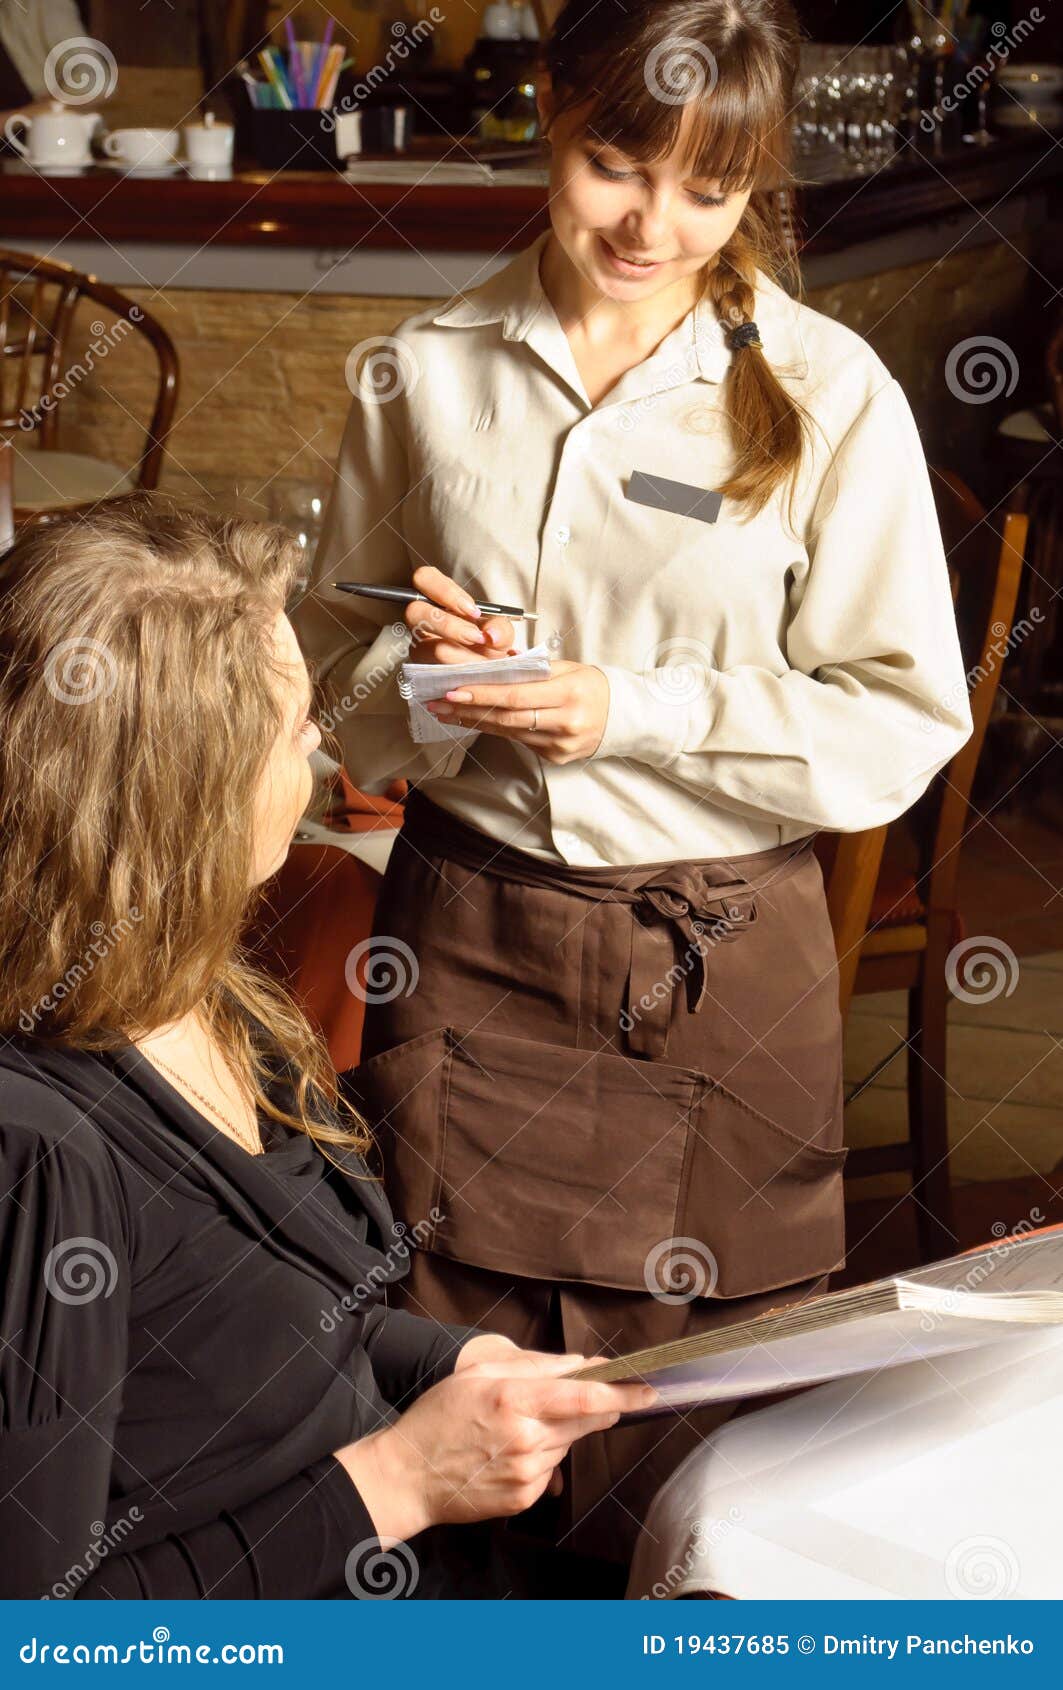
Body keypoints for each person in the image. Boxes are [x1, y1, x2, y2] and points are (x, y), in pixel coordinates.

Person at [293, 0, 974, 1560]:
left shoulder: (823, 393)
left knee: (702, 1439)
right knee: (453, 1392)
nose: (651, 225)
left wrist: (630, 707)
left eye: (705, 190)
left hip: (718, 971)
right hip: (464, 947)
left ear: (751, 190)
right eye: (614, 164)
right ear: (552, 115)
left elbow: (896, 720)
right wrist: (426, 682)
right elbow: (333, 690)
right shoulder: (421, 371)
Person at [0, 495, 653, 1601]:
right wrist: (401, 1480)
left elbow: (256, 1342)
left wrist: (451, 1364)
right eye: (299, 731)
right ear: (184, 793)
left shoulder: (208, 996)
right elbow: (45, 1640)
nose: (321, 762)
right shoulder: (37, 1153)